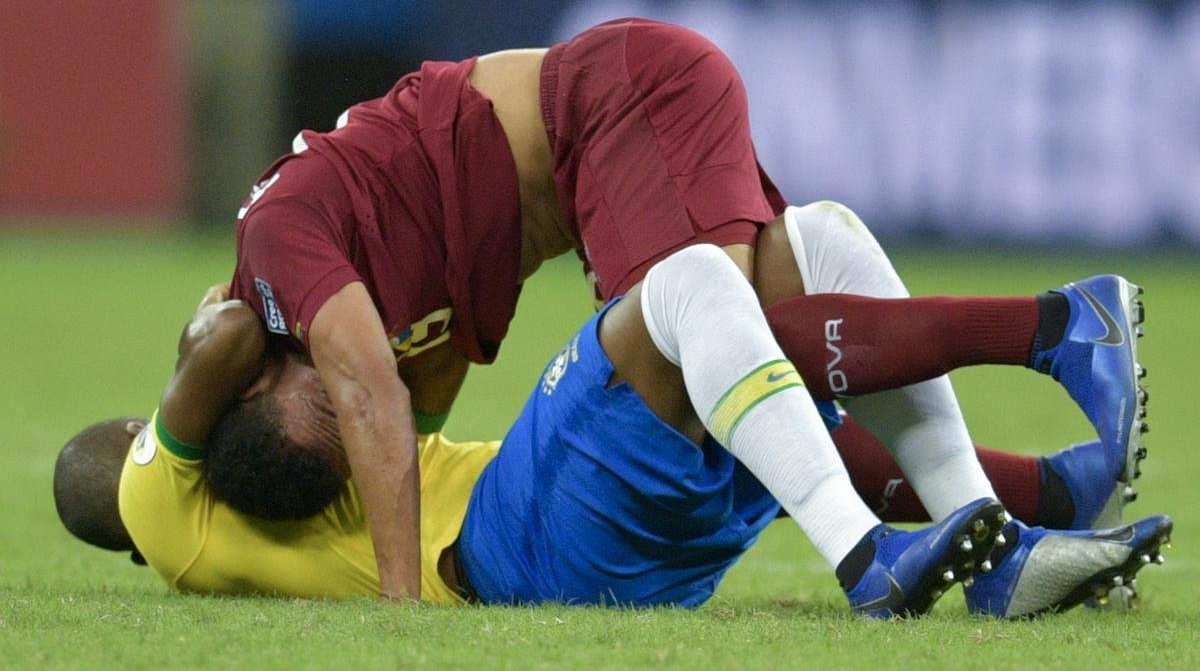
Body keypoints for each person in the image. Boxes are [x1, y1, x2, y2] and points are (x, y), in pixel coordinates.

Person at [215, 19, 1146, 600]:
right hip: (618, 123)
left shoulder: (279, 244)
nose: (348, 407)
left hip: (615, 105)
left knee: (707, 330)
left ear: (255, 376)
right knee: (802, 270)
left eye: (322, 407)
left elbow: (372, 392)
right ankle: (1004, 534)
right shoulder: (369, 294)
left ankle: (1050, 335)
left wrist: (399, 601)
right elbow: (411, 410)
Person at [55, 247, 1171, 618]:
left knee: (799, 261)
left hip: (566, 533)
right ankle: (1053, 332)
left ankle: (1023, 504)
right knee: (681, 284)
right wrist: (241, 289)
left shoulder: (259, 495)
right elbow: (227, 334)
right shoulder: (160, 510)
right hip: (513, 544)